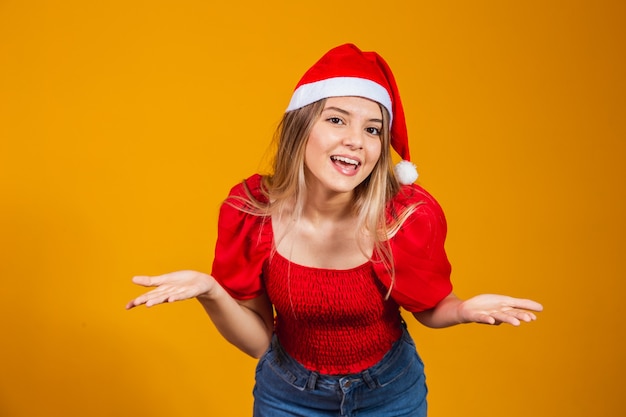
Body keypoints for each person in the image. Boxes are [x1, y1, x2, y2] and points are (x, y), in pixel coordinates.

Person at [126, 43, 543, 417]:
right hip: (288, 396)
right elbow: (258, 343)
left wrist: (464, 310)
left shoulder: (403, 216)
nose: (356, 141)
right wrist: (209, 290)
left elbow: (432, 309)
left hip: (390, 393)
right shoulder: (252, 212)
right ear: (301, 127)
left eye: (372, 129)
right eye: (337, 120)